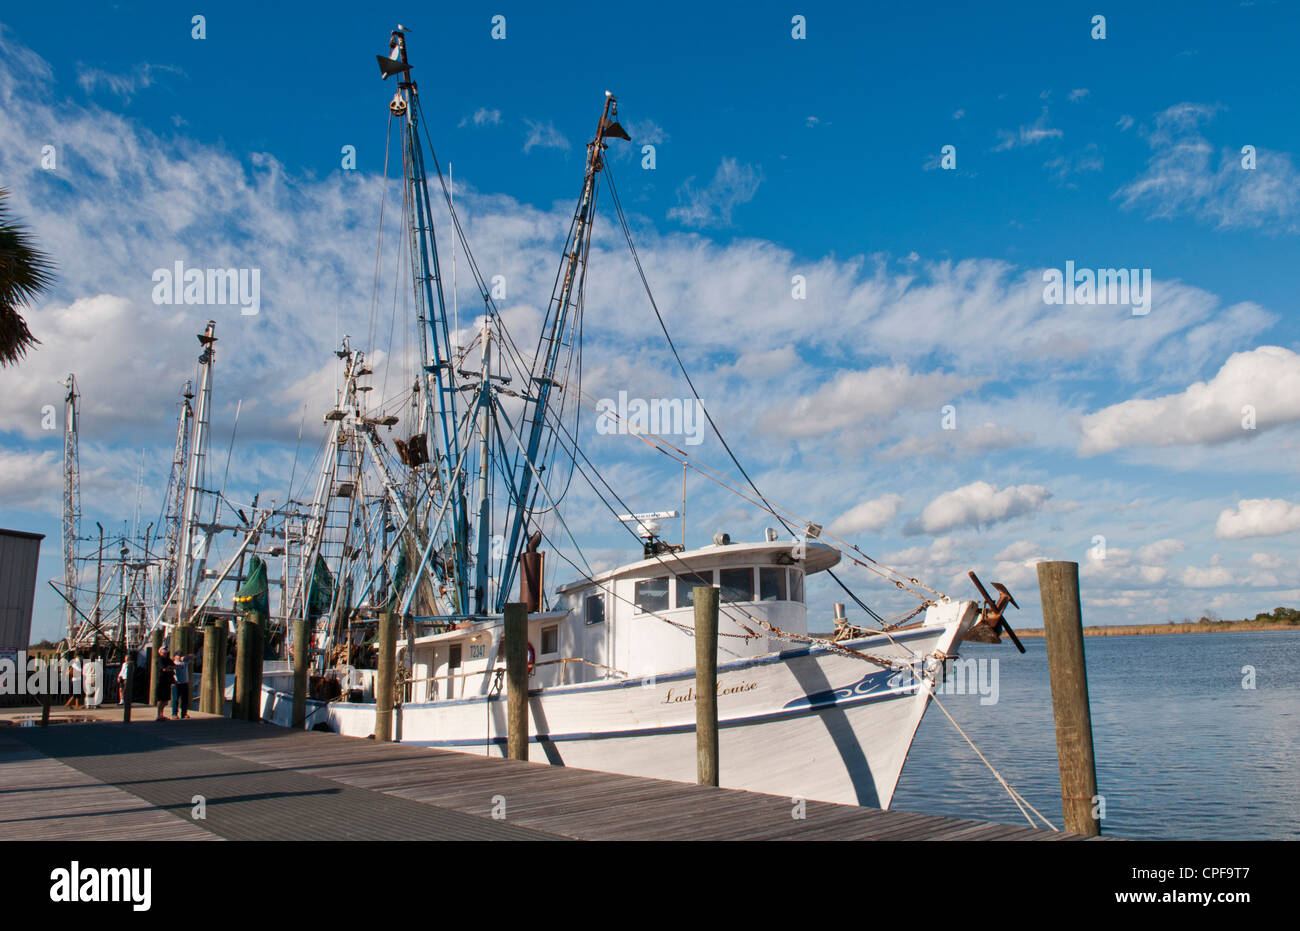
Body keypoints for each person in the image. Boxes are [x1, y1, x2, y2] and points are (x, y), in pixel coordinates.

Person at [155, 646, 175, 721]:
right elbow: (163, 669)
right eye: (163, 651)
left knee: (165, 699)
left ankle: (161, 714)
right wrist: (169, 668)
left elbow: (174, 667)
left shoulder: (168, 660)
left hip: (167, 681)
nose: (165, 652)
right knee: (160, 699)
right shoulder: (159, 660)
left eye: (166, 651)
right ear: (160, 652)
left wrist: (170, 668)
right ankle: (158, 715)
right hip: (161, 681)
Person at [171, 651, 192, 719]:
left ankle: (184, 713)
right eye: (178, 655)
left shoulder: (185, 662)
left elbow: (192, 656)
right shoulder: (173, 663)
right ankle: (174, 714)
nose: (180, 656)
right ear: (175, 656)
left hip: (185, 682)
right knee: (175, 699)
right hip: (176, 683)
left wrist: (186, 657)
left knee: (185, 699)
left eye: (181, 655)